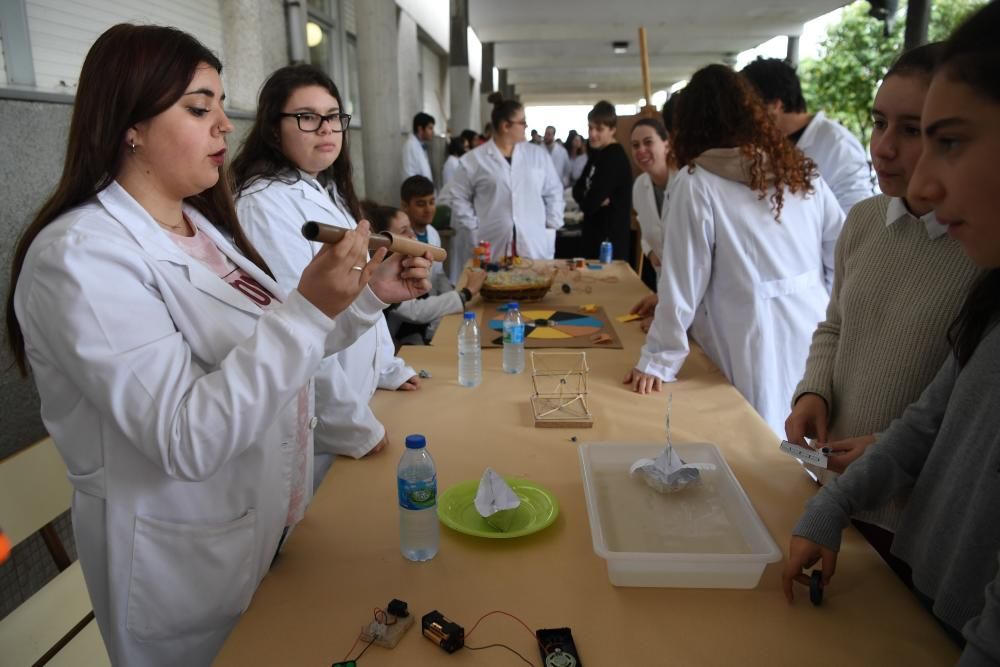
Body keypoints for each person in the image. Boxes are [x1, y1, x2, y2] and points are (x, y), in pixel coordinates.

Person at [4, 25, 429, 666]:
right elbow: (186, 436)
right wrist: (310, 308)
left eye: (221, 107)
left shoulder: (198, 225)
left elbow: (276, 344)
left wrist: (368, 296)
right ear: (131, 126)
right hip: (183, 565)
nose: (224, 126)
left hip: (262, 527)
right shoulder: (80, 257)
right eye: (199, 108)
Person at [784, 7, 1000, 662]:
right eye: (883, 124)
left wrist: (885, 455)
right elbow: (839, 321)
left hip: (907, 516)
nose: (888, 149)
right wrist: (813, 390)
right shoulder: (868, 222)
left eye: (942, 138)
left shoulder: (977, 254)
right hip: (854, 499)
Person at [624, 64, 844, 439]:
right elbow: (840, 255)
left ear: (689, 125)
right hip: (813, 327)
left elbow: (683, 283)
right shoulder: (798, 170)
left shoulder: (699, 182)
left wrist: (658, 361)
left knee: (755, 441)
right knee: (804, 440)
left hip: (747, 335)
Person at [232, 65, 423, 480]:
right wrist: (352, 426)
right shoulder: (264, 207)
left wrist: (386, 367)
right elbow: (293, 330)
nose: (326, 129)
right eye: (307, 117)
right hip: (321, 429)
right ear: (272, 128)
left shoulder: (320, 190)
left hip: (358, 399)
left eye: (334, 116)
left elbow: (345, 299)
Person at [741, 57, 877, 215]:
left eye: (748, 106)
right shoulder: (767, 142)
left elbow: (856, 213)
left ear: (774, 106)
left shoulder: (838, 143)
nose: (744, 116)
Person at [442, 92, 565, 260]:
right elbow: (458, 197)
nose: (526, 127)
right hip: (491, 242)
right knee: (494, 283)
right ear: (506, 126)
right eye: (522, 122)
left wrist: (551, 226)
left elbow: (554, 192)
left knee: (534, 283)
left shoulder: (538, 156)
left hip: (534, 242)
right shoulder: (474, 160)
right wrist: (473, 228)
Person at [370, 203, 486, 345]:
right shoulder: (382, 275)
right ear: (384, 240)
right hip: (403, 338)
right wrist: (465, 293)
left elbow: (438, 274)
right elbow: (415, 311)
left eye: (410, 228)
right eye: (403, 231)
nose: (413, 235)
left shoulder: (422, 244)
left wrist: (457, 294)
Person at [573, 100, 632, 261]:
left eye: (599, 129)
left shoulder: (614, 157)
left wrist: (589, 198)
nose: (593, 134)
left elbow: (590, 204)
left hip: (609, 242)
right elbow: (577, 189)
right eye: (590, 128)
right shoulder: (597, 153)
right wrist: (590, 198)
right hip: (593, 236)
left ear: (612, 130)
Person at [403, 111, 435, 182]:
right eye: (430, 128)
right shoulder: (410, 146)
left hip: (425, 190)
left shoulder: (419, 144)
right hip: (418, 191)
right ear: (420, 129)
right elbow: (410, 175)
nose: (433, 132)